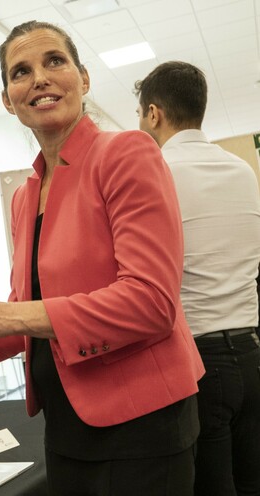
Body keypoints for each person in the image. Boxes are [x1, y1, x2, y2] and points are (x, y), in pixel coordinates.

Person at [0, 21, 205, 496]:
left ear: (83, 78)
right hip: (64, 424)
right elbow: (28, 309)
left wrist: (6, 313)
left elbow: (151, 302)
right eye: (21, 71)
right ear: (7, 99)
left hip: (141, 425)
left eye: (54, 62)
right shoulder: (25, 195)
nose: (38, 78)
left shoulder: (126, 154)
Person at [135, 61, 260, 496]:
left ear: (154, 113)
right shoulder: (244, 171)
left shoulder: (156, 174)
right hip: (252, 351)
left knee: (211, 486)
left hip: (198, 361)